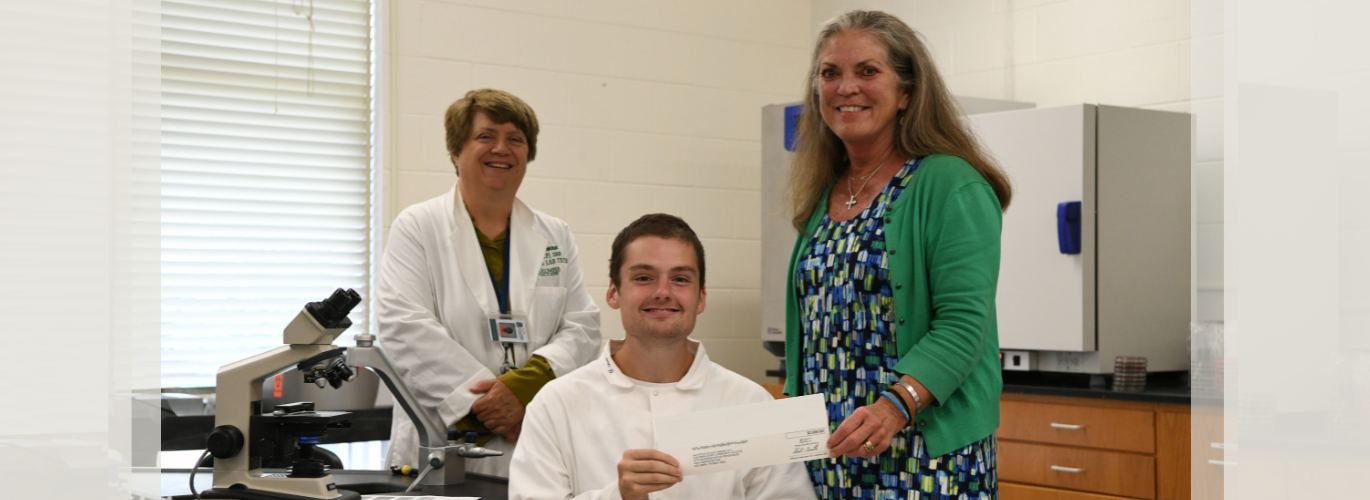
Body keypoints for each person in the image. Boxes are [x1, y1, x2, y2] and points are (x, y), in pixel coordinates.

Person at [782, 10, 1012, 499]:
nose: (846, 87)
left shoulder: (949, 184)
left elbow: (962, 326)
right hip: (835, 456)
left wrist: (894, 407)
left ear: (907, 91)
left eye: (867, 71)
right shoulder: (825, 194)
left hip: (924, 456)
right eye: (830, 73)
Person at [508, 214, 817, 500]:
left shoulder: (750, 403)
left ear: (701, 298)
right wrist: (618, 496)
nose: (663, 292)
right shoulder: (555, 404)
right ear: (614, 292)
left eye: (680, 279)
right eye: (644, 277)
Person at [377, 89, 601, 477]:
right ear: (455, 151)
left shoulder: (554, 235)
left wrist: (525, 388)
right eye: (486, 136)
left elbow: (582, 326)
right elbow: (404, 329)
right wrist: (490, 408)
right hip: (444, 444)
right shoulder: (418, 227)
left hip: (532, 440)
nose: (502, 148)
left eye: (515, 139)